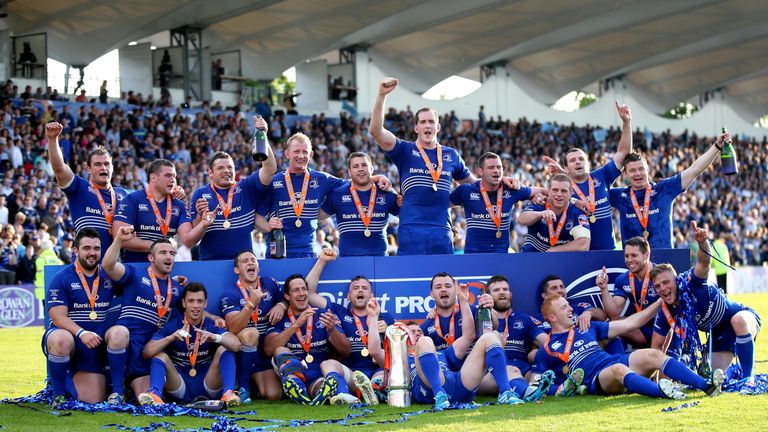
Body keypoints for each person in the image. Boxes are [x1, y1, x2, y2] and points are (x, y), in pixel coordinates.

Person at [535, 295, 723, 399]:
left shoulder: (586, 327)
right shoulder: (547, 349)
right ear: (552, 317)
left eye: (568, 305)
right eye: (564, 307)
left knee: (652, 354)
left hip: (614, 360)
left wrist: (659, 304)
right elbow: (537, 383)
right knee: (618, 369)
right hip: (597, 378)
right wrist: (561, 389)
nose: (570, 309)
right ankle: (664, 393)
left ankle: (706, 385)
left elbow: (630, 323)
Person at [371, 78, 477, 255]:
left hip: (441, 230)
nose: (427, 125)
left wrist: (502, 181)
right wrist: (382, 95)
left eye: (431, 122)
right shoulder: (404, 150)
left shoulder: (451, 155)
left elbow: (476, 186)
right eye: (423, 122)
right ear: (416, 128)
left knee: (443, 273)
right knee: (410, 273)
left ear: (438, 127)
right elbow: (376, 131)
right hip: (411, 229)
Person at [650, 221, 761, 388]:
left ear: (676, 279)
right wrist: (656, 381)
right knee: (715, 377)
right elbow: (656, 348)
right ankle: (735, 371)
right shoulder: (665, 310)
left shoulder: (690, 281)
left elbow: (704, 263)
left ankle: (748, 379)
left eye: (666, 282)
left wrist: (702, 243)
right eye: (658, 286)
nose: (663, 288)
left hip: (743, 317)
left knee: (738, 320)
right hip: (718, 334)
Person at [366, 296, 522, 409]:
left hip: (459, 386)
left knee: (490, 337)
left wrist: (463, 301)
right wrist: (373, 317)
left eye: (419, 331)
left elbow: (468, 336)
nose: (417, 333)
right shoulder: (400, 360)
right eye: (411, 332)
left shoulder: (442, 353)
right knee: (425, 342)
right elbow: (374, 350)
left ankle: (506, 392)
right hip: (430, 391)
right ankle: (439, 395)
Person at [262, 133, 389, 258]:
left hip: (308, 252)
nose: (301, 156)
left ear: (311, 155)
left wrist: (375, 178)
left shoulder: (322, 179)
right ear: (287, 154)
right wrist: (267, 226)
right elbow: (257, 217)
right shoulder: (273, 181)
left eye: (305, 152)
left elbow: (352, 183)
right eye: (296, 151)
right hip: (277, 252)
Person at [101, 226, 186, 403]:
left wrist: (215, 319)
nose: (169, 257)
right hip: (124, 341)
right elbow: (108, 265)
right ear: (151, 258)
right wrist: (119, 240)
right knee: (119, 333)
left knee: (146, 400)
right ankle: (117, 392)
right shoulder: (135, 273)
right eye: (163, 252)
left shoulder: (177, 289)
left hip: (146, 352)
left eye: (172, 253)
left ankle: (130, 388)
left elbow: (194, 308)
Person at [304, 248, 395, 404]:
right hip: (352, 375)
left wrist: (389, 331)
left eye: (364, 288)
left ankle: (376, 390)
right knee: (327, 364)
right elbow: (310, 294)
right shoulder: (339, 311)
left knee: (380, 377)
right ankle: (345, 395)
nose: (360, 290)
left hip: (377, 370)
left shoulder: (384, 317)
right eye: (355, 288)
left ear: (371, 295)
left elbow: (397, 352)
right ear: (348, 296)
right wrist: (322, 261)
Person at [609, 131, 729, 248]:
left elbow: (694, 170)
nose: (638, 173)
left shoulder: (663, 189)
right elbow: (598, 189)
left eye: (641, 169)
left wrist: (717, 146)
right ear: (625, 173)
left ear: (647, 169)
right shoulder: (620, 196)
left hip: (664, 259)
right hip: (633, 260)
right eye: (632, 170)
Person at [544, 102, 632, 250]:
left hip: (607, 252)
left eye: (581, 159)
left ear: (588, 163)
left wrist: (626, 123)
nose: (578, 162)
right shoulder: (563, 189)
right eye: (573, 160)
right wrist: (563, 176)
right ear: (566, 168)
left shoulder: (602, 175)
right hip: (578, 255)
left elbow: (623, 152)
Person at [137, 282, 241, 407]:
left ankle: (228, 394)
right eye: (191, 301)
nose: (195, 306)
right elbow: (147, 352)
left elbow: (236, 345)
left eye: (199, 301)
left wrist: (216, 338)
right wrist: (170, 339)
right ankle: (155, 395)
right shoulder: (173, 325)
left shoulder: (211, 325)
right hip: (179, 384)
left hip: (208, 383)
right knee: (159, 355)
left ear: (205, 303)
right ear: (184, 303)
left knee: (225, 348)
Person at [43, 228, 115, 405]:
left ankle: (67, 375)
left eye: (96, 248)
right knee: (62, 339)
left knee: (93, 399)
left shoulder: (109, 277)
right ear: (75, 250)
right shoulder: (62, 278)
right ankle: (58, 395)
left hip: (93, 343)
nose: (92, 253)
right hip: (69, 337)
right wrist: (82, 333)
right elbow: (57, 317)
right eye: (86, 248)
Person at [190, 118, 276, 260]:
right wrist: (200, 217)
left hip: (244, 263)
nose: (226, 171)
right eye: (220, 168)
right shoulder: (201, 194)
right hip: (210, 264)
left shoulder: (246, 187)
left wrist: (263, 136)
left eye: (230, 167)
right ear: (210, 173)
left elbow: (270, 169)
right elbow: (192, 236)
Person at [263, 274, 352, 405]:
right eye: (296, 290)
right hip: (293, 371)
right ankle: (297, 386)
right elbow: (269, 350)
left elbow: (346, 351)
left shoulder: (324, 314)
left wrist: (333, 330)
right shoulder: (280, 317)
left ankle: (308, 395)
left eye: (304, 289)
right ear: (287, 296)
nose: (301, 293)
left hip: (319, 372)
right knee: (280, 350)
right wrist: (296, 325)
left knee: (322, 386)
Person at [46, 121, 128, 256]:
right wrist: (52, 139)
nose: (103, 168)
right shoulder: (80, 187)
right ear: (88, 169)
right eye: (98, 164)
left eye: (107, 164)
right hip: (84, 263)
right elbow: (59, 168)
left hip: (114, 265)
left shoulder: (123, 194)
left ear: (112, 167)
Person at [113, 159, 211, 262]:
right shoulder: (132, 199)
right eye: (168, 175)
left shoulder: (179, 205)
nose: (173, 180)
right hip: (136, 267)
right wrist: (156, 247)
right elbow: (120, 238)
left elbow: (188, 241)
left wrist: (202, 223)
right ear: (153, 178)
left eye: (174, 176)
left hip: (166, 268)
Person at [219, 251, 284, 402]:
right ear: (237, 270)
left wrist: (281, 305)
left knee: (274, 394)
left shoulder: (270, 283)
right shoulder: (230, 293)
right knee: (251, 333)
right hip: (243, 351)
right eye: (245, 261)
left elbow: (286, 299)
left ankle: (254, 387)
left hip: (263, 353)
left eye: (253, 260)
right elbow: (233, 328)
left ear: (258, 267)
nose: (250, 263)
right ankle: (243, 386)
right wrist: (251, 304)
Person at [451, 152, 545, 253]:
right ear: (480, 171)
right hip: (473, 257)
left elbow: (545, 192)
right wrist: (447, 226)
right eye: (491, 167)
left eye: (499, 167)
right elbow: (442, 206)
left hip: (501, 256)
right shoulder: (466, 190)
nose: (496, 170)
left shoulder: (512, 189)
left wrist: (535, 196)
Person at [477, 275, 552, 401]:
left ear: (510, 294)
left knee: (541, 376)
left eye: (505, 289)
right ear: (488, 296)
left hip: (523, 369)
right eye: (496, 290)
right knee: (512, 371)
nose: (502, 292)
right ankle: (527, 393)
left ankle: (561, 388)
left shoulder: (524, 318)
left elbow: (545, 341)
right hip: (491, 373)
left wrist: (537, 350)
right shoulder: (482, 317)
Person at [321, 152, 400, 256]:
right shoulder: (337, 194)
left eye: (364, 165)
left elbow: (407, 215)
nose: (360, 169)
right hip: (348, 261)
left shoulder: (386, 191)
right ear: (349, 172)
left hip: (379, 260)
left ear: (371, 169)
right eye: (355, 166)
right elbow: (316, 216)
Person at [420, 272, 488, 371]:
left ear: (455, 290)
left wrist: (491, 308)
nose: (443, 289)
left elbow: (493, 327)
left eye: (448, 286)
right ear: (432, 294)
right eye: (438, 287)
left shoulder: (471, 311)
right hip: (444, 374)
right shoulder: (426, 326)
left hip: (473, 371)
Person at [597, 236, 658, 346]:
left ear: (647, 255)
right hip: (641, 329)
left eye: (634, 255)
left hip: (664, 327)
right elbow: (614, 314)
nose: (629, 260)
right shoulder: (622, 280)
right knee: (609, 327)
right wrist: (604, 288)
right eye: (626, 256)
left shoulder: (660, 276)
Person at [519, 174, 591, 252]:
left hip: (559, 258)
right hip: (530, 256)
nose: (559, 194)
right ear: (548, 191)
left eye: (563, 191)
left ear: (570, 193)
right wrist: (540, 214)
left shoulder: (576, 212)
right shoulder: (540, 203)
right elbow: (521, 220)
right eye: (555, 190)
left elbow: (584, 245)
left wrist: (554, 251)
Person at [34, 239, 62, 305]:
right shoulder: (57, 260)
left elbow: (40, 274)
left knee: (46, 308)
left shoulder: (40, 259)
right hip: (55, 289)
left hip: (43, 289)